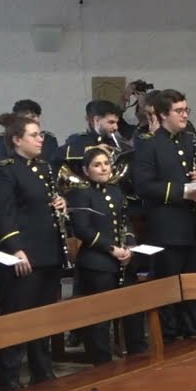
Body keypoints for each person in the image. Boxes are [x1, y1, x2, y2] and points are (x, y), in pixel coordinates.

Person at [0, 113, 68, 391]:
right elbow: (2, 215)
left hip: (47, 252)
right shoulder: (4, 170)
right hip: (23, 256)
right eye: (34, 134)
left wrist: (59, 203)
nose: (40, 138)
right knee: (18, 321)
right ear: (17, 139)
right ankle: (9, 381)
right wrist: (16, 249)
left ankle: (42, 372)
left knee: (42, 320)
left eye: (41, 134)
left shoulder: (44, 168)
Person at [131, 90, 196, 339]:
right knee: (169, 290)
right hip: (168, 230)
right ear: (163, 114)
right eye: (179, 110)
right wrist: (183, 191)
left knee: (195, 288)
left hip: (195, 228)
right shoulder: (149, 144)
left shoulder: (192, 141)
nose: (185, 115)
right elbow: (144, 186)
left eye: (187, 110)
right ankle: (171, 337)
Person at [68, 147, 140, 360]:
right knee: (100, 317)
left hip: (123, 261)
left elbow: (125, 222)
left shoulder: (116, 191)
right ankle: (101, 361)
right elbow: (83, 230)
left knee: (133, 311)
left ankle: (138, 356)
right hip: (97, 262)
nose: (103, 168)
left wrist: (129, 245)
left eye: (106, 164)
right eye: (97, 165)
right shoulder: (80, 194)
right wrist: (112, 249)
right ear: (86, 170)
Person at [0, 99, 59, 166]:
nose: (37, 120)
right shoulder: (1, 142)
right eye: (32, 116)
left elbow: (53, 166)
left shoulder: (48, 140)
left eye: (38, 116)